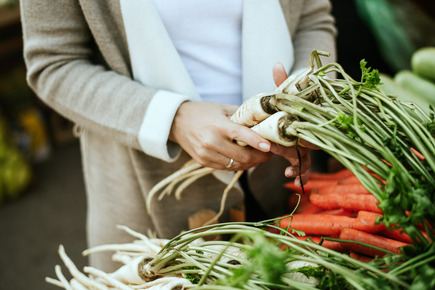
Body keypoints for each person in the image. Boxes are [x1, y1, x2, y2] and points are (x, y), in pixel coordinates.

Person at [20, 0, 336, 271]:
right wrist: (172, 118)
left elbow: (312, 18)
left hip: (280, 180)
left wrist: (306, 99)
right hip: (147, 197)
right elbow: (53, 64)